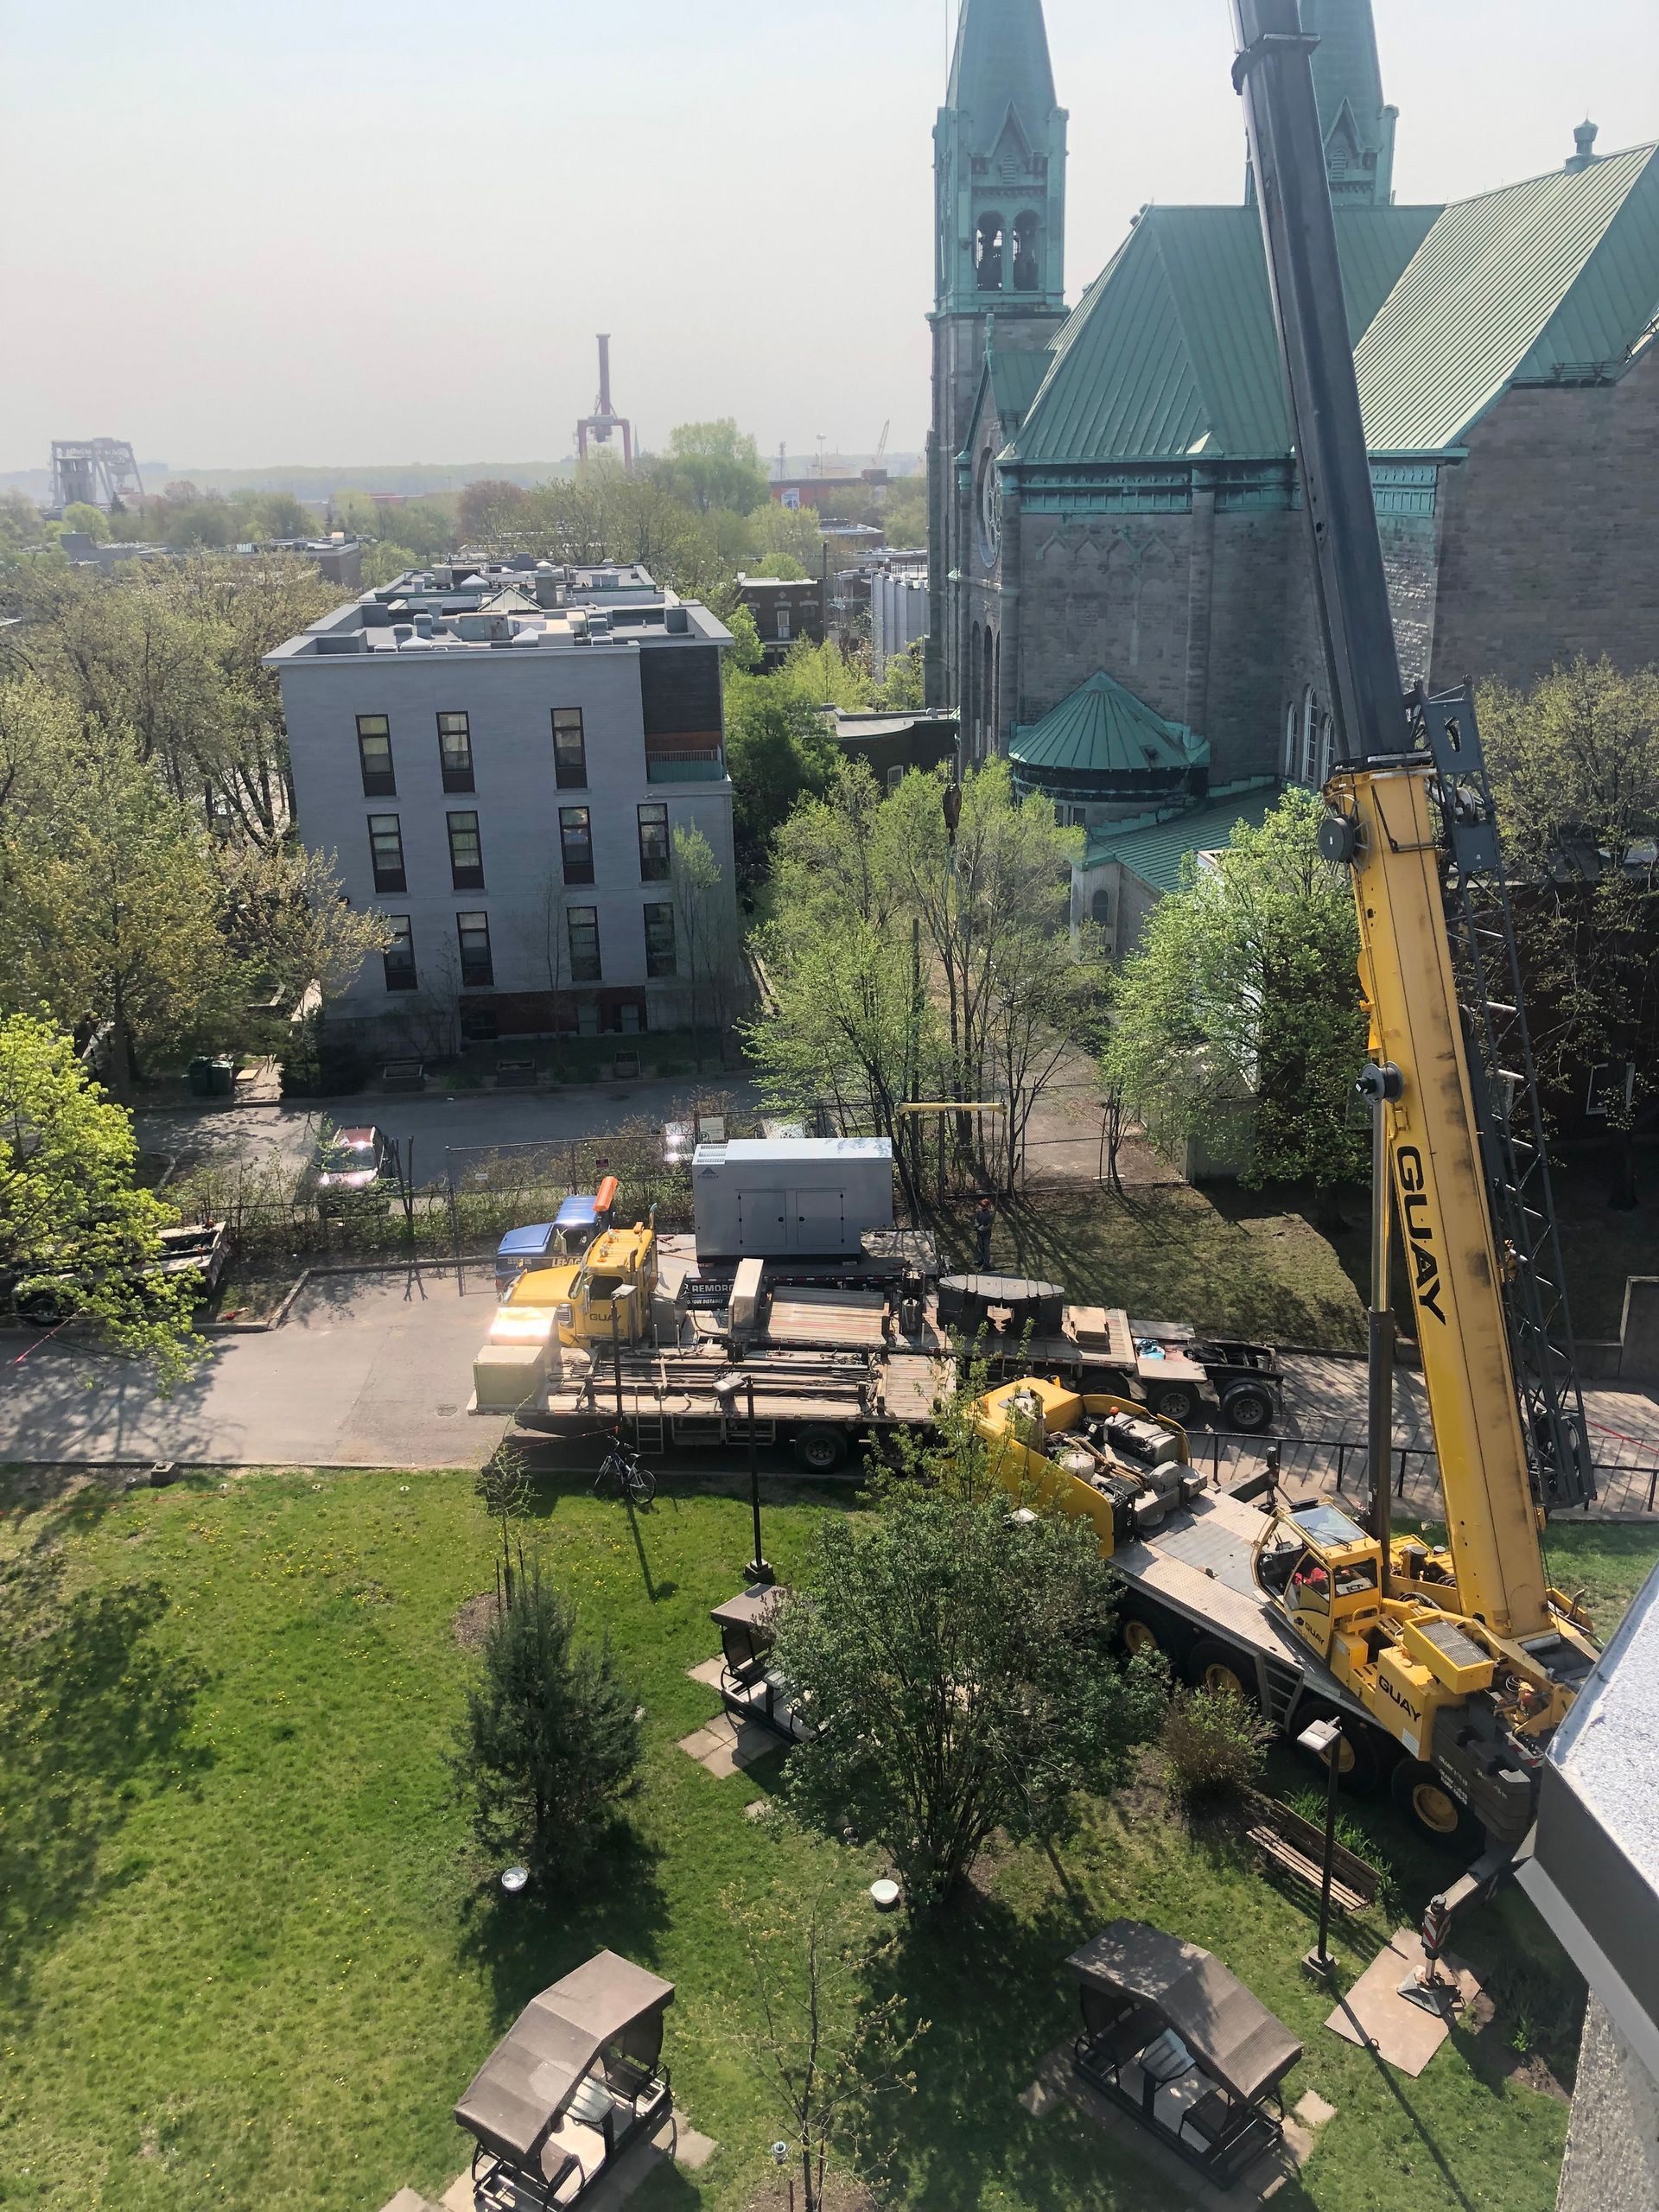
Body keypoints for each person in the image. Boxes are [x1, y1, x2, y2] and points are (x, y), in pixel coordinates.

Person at [1418, 1894, 1452, 1989]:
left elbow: (1445, 1928)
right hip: (1432, 1942)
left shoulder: (1442, 1916)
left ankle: (1430, 1975)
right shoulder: (1436, 1914)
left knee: (1432, 1955)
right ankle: (1429, 1975)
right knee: (1430, 1954)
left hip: (1435, 1943)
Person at [974, 1193, 995, 1271]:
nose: (982, 1207)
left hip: (986, 1234)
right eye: (981, 1205)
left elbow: (989, 1225)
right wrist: (976, 1225)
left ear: (987, 1206)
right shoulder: (979, 1212)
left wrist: (983, 1228)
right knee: (980, 1248)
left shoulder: (990, 1215)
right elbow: (976, 1219)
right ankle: (981, 1260)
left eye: (984, 1206)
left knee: (986, 1249)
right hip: (979, 1233)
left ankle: (986, 1265)